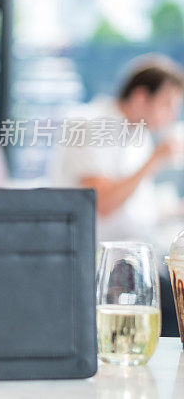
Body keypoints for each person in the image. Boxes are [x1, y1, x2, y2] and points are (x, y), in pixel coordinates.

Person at [52, 56, 184, 336]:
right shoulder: (89, 125)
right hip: (99, 265)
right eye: (167, 104)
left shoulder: (138, 136)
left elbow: (138, 207)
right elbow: (105, 203)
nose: (172, 115)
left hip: (133, 259)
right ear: (139, 97)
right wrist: (155, 160)